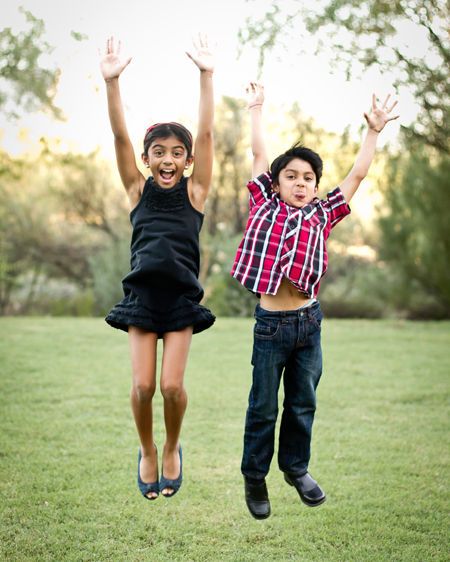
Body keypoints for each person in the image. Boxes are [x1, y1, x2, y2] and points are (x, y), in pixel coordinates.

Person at [232, 82, 398, 519]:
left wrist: (373, 133)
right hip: (270, 327)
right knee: (263, 407)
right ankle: (255, 477)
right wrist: (255, 109)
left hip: (309, 325)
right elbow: (257, 155)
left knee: (303, 402)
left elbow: (357, 176)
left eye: (308, 178)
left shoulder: (322, 216)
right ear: (278, 182)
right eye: (292, 176)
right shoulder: (264, 204)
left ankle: (296, 469)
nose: (301, 184)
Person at [99, 36, 215, 500]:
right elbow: (119, 137)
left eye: (176, 153)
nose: (167, 159)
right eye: (158, 152)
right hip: (143, 298)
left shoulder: (195, 194)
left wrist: (207, 77)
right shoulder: (136, 191)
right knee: (143, 384)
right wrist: (112, 83)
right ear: (147, 160)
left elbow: (206, 135)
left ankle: (171, 447)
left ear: (187, 162)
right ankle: (147, 450)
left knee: (171, 386)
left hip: (182, 298)